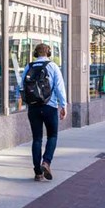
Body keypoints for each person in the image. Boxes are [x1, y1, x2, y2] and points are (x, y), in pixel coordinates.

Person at [21, 43, 67, 181]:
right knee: (52, 136)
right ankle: (46, 162)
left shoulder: (28, 67)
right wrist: (63, 105)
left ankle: (38, 173)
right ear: (48, 53)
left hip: (33, 108)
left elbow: (21, 86)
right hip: (50, 106)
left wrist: (24, 102)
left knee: (37, 139)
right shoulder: (52, 66)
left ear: (36, 53)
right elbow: (59, 87)